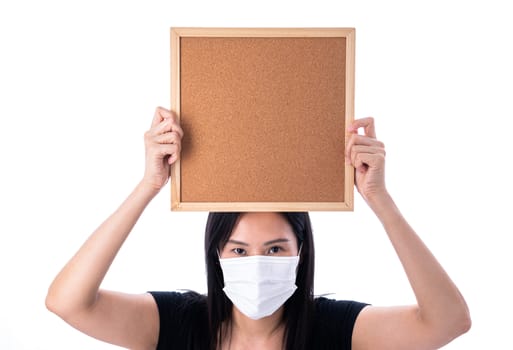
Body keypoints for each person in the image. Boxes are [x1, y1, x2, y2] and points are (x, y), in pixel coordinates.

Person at [46, 107, 471, 350]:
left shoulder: (334, 330)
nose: (256, 264)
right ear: (216, 254)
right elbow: (68, 302)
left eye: (274, 250)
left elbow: (448, 322)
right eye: (238, 250)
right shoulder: (178, 324)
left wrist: (380, 199)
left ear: (300, 253)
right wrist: (149, 185)